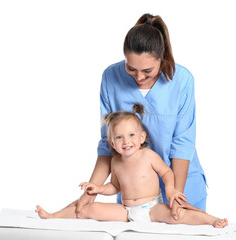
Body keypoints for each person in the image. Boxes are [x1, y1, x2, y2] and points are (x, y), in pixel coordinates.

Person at [71, 13, 207, 221]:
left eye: (148, 71)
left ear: (162, 59)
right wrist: (91, 192)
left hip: (180, 186)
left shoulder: (182, 81)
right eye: (131, 68)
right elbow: (107, 143)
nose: (139, 77)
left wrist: (175, 197)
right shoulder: (111, 77)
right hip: (134, 194)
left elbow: (182, 143)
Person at [36, 105, 227, 228]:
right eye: (119, 137)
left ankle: (212, 220)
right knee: (88, 208)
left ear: (142, 137)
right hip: (126, 210)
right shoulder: (116, 161)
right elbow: (115, 186)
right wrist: (99, 188)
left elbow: (167, 172)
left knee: (178, 215)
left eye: (131, 136)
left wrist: (170, 190)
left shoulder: (148, 156)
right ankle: (53, 216)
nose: (126, 141)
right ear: (112, 142)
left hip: (153, 206)